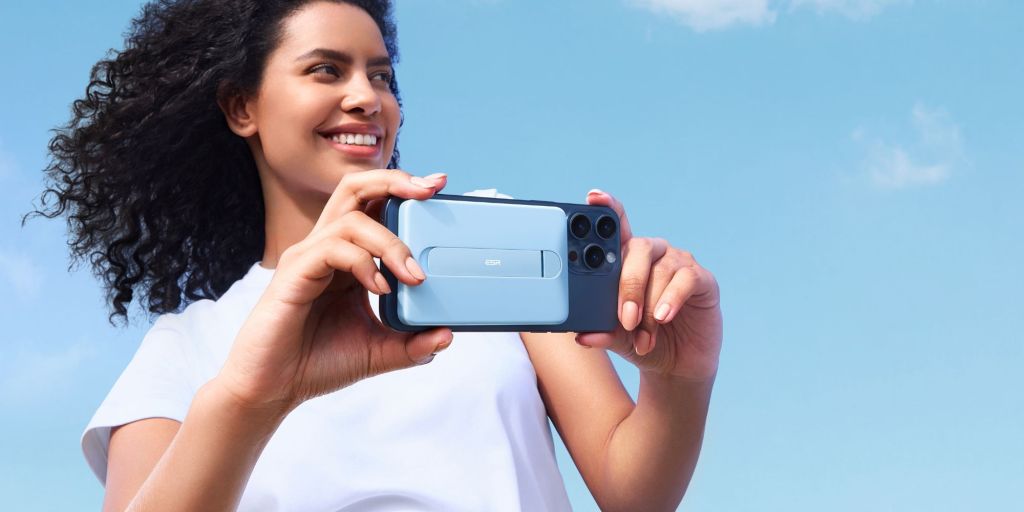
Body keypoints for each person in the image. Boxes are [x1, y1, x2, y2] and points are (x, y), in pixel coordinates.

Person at [28, 0, 723, 510]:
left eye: (383, 77)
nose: (367, 98)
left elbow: (634, 492)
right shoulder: (188, 347)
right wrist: (252, 398)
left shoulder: (503, 249)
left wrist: (680, 380)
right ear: (243, 108)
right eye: (326, 70)